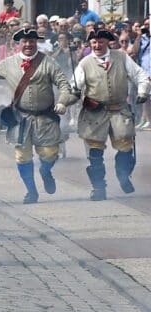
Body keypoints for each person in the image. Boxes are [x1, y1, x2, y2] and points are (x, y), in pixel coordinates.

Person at [0, 28, 77, 204]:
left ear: (36, 42)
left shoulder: (48, 62)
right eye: (25, 41)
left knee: (49, 154)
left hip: (45, 117)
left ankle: (46, 172)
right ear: (19, 43)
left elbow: (64, 84)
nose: (28, 44)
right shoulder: (8, 63)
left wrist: (62, 101)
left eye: (31, 41)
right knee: (22, 157)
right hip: (20, 118)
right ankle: (31, 191)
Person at [72, 29, 150, 201]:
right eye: (93, 42)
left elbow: (140, 75)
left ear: (107, 42)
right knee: (94, 151)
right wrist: (70, 96)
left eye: (100, 41)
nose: (97, 45)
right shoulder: (84, 63)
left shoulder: (121, 58)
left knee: (125, 145)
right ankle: (99, 188)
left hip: (119, 110)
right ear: (90, 44)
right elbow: (74, 85)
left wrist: (143, 91)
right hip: (95, 113)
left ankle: (123, 176)